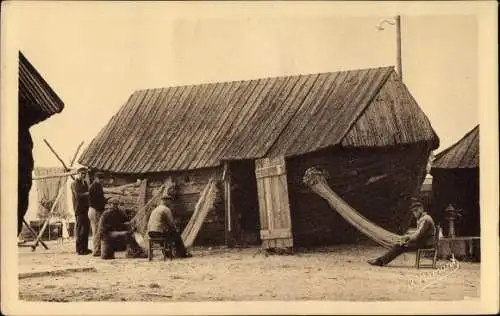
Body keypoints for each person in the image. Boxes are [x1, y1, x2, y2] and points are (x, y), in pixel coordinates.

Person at [368, 200, 436, 267]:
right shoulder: (423, 218)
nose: (414, 213)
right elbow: (418, 233)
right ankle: (381, 260)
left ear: (421, 209)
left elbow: (417, 235)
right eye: (413, 212)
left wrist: (407, 238)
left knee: (400, 246)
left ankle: (380, 261)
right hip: (423, 242)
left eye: (416, 211)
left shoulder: (426, 219)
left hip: (426, 244)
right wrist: (407, 238)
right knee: (400, 244)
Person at [147, 186, 191, 258]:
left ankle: (167, 254)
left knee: (168, 234)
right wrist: (175, 230)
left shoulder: (156, 209)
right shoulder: (166, 209)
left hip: (151, 233)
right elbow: (171, 223)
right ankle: (182, 254)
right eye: (170, 201)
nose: (170, 203)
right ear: (167, 201)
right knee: (177, 236)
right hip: (158, 233)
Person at [71, 167, 91, 255]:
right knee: (79, 230)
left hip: (86, 208)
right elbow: (78, 195)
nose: (83, 175)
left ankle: (85, 248)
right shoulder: (74, 184)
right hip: (78, 209)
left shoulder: (85, 183)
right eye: (82, 173)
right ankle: (79, 249)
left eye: (85, 174)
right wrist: (88, 194)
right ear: (78, 174)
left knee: (86, 229)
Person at [88, 171, 106, 257]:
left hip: (93, 209)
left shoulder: (95, 186)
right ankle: (96, 250)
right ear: (96, 178)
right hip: (95, 210)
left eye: (102, 179)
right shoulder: (96, 187)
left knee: (95, 230)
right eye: (100, 179)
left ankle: (97, 249)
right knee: (96, 230)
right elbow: (96, 201)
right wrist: (103, 204)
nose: (102, 180)